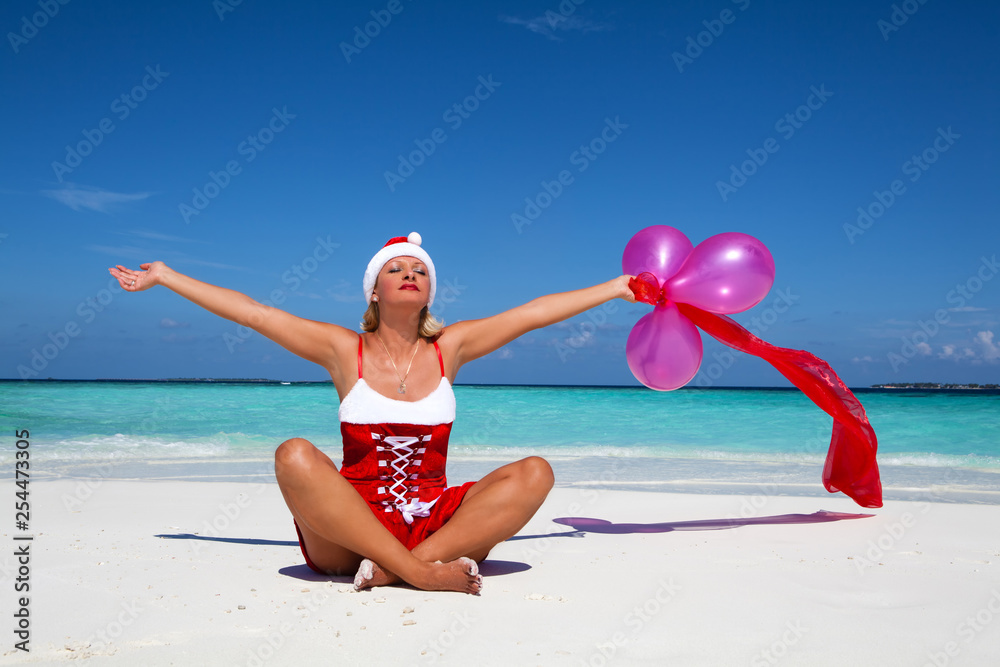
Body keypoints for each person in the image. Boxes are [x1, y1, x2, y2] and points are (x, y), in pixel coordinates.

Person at [109, 232, 635, 594]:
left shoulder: (451, 347)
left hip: (434, 525)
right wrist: (167, 277)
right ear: (374, 291)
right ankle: (421, 573)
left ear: (430, 291)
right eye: (396, 268)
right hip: (349, 531)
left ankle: (397, 569)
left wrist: (616, 286)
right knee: (293, 455)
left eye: (419, 270)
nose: (410, 273)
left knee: (535, 472)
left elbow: (532, 313)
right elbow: (256, 314)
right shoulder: (344, 350)